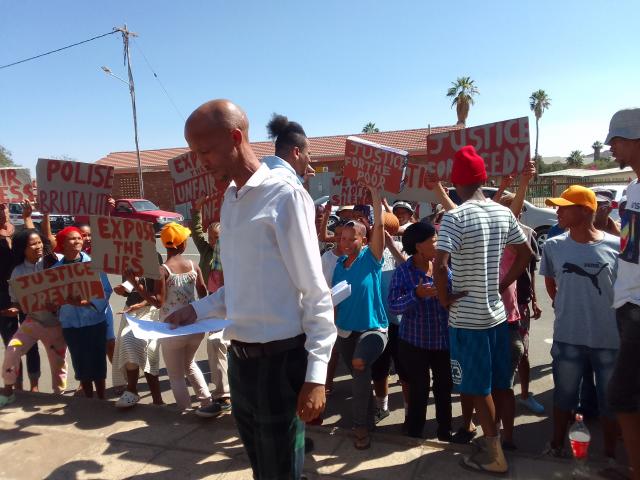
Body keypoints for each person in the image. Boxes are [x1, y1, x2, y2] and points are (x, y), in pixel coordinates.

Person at [166, 99, 336, 480]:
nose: (200, 161)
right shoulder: (230, 200)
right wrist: (197, 309)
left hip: (280, 364)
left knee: (281, 472)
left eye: (205, 150)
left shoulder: (285, 197)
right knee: (263, 469)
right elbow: (240, 287)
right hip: (241, 366)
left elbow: (315, 291)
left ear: (236, 137)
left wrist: (316, 376)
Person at [434, 145, 532, 474]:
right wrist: (503, 284)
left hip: (467, 319)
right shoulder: (502, 213)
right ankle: (499, 441)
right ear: (482, 178)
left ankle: (495, 455)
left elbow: (439, 265)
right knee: (497, 383)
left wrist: (444, 298)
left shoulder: (454, 217)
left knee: (476, 388)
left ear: (455, 181)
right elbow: (526, 253)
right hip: (496, 315)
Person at [540, 186, 621, 462]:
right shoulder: (553, 245)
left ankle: (610, 455)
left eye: (564, 206)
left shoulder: (615, 245)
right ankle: (556, 445)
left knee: (610, 404)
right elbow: (550, 283)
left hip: (609, 340)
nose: (557, 211)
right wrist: (565, 307)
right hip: (567, 337)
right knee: (564, 397)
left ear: (586, 210)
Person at [126, 222, 211, 411]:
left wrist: (137, 285)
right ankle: (206, 402)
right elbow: (203, 292)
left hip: (171, 329)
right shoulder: (193, 265)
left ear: (165, 245)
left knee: (176, 375)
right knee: (189, 364)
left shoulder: (163, 270)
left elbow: (158, 302)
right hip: (193, 326)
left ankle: (186, 410)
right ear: (182, 244)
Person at [332, 185, 388, 449]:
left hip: (373, 330)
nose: (344, 243)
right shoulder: (338, 267)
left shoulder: (371, 258)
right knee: (359, 377)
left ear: (363, 240)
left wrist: (376, 197)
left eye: (350, 238)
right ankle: (368, 418)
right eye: (341, 238)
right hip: (344, 331)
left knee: (358, 363)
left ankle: (360, 427)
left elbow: (379, 229)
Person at [388, 221, 453, 440]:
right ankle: (415, 432)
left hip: (443, 341)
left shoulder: (443, 265)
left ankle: (445, 432)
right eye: (433, 240)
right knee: (419, 389)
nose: (438, 243)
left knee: (444, 388)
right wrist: (416, 295)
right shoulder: (403, 272)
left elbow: (452, 293)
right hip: (414, 342)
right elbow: (393, 305)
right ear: (418, 246)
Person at [606, 108, 640, 480]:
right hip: (627, 301)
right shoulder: (632, 188)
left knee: (622, 396)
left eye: (616, 140)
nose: (612, 147)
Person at [0, 228, 67, 407]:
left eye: (39, 242)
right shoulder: (17, 272)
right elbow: (17, 302)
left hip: (56, 324)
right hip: (33, 322)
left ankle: (59, 397)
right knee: (12, 349)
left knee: (58, 365)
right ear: (23, 248)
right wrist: (14, 309)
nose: (38, 247)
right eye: (32, 244)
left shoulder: (55, 262)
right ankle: (8, 391)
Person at [54, 226, 113, 399]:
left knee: (97, 362)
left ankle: (101, 398)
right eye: (72, 239)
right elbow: (52, 297)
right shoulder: (55, 271)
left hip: (95, 321)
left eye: (79, 238)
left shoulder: (94, 264)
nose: (78, 241)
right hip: (70, 324)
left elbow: (107, 290)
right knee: (80, 362)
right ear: (63, 245)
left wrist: (88, 303)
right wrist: (62, 302)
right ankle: (88, 398)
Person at [190, 198, 231, 418]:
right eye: (213, 238)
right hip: (214, 306)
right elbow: (195, 232)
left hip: (233, 305)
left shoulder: (233, 255)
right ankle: (223, 394)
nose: (216, 242)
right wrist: (196, 211)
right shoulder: (207, 254)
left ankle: (226, 392)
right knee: (216, 345)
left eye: (219, 238)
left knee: (224, 345)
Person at [112, 252, 164, 408]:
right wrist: (123, 289)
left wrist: (142, 303)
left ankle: (157, 400)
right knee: (127, 343)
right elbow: (129, 287)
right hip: (131, 311)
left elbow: (157, 297)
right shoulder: (127, 258)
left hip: (151, 310)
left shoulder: (154, 257)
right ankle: (132, 390)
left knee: (150, 353)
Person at [0, 202, 41, 398]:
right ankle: (18, 385)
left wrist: (27, 217)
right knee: (12, 344)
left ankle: (35, 385)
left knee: (31, 341)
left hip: (26, 294)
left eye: (3, 207)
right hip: (3, 298)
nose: (2, 212)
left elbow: (36, 241)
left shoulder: (15, 232)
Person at [371, 211, 408, 424]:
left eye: (383, 229)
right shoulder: (369, 252)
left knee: (405, 370)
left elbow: (410, 270)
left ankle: (408, 411)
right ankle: (381, 407)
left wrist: (393, 246)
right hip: (377, 321)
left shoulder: (403, 249)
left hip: (400, 322)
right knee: (379, 368)